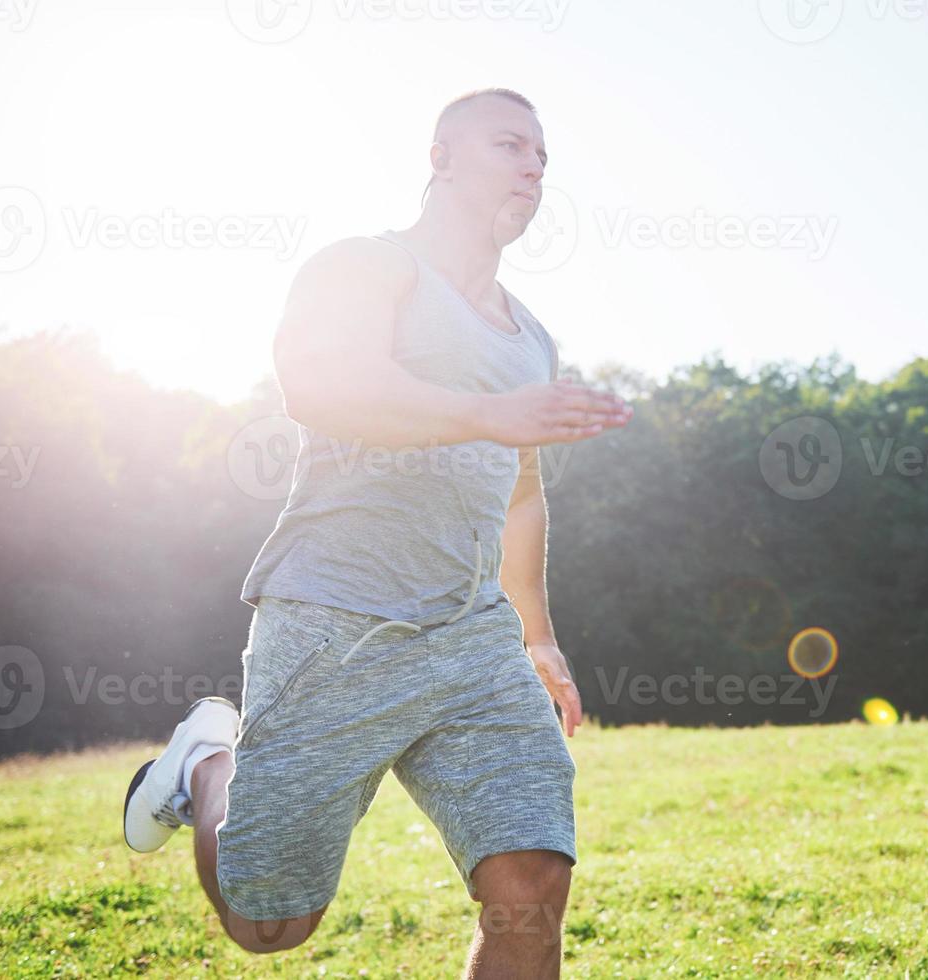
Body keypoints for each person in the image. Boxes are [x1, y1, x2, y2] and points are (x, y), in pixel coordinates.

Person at [122, 88, 631, 976]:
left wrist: (538, 637)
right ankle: (209, 764)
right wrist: (486, 410)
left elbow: (519, 494)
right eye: (511, 144)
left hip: (473, 640)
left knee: (532, 878)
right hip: (336, 621)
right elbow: (325, 385)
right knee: (268, 923)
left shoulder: (531, 339)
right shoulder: (366, 265)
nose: (535, 167)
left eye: (544, 156)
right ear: (439, 158)